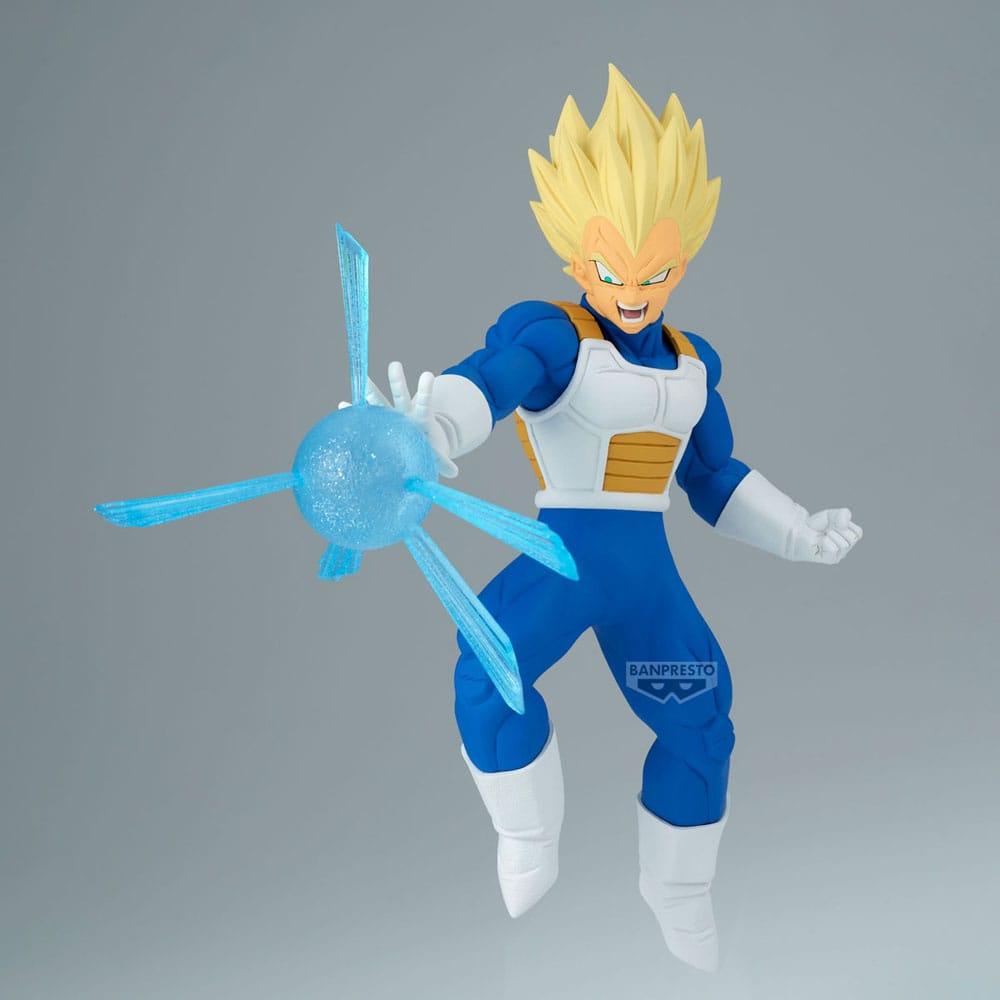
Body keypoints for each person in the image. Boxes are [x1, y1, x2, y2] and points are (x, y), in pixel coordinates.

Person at [370, 64, 862, 972]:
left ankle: (678, 889)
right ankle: (528, 833)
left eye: (656, 270)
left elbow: (711, 478)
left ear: (685, 260)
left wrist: (797, 531)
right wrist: (434, 426)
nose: (633, 289)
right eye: (610, 269)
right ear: (575, 259)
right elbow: (495, 379)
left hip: (646, 583)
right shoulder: (555, 333)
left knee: (703, 726)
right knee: (489, 671)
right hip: (564, 559)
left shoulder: (694, 362)